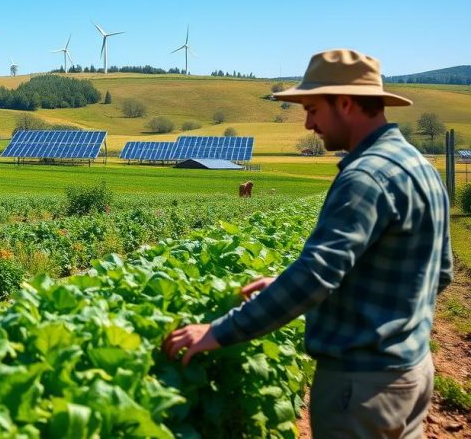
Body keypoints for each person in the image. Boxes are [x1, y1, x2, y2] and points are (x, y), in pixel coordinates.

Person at [163, 48, 452, 438]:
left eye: (313, 109)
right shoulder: (419, 166)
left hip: (360, 385)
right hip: (412, 373)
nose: (308, 124)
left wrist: (218, 332)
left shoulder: (366, 177)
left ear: (346, 103)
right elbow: (440, 271)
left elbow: (318, 272)